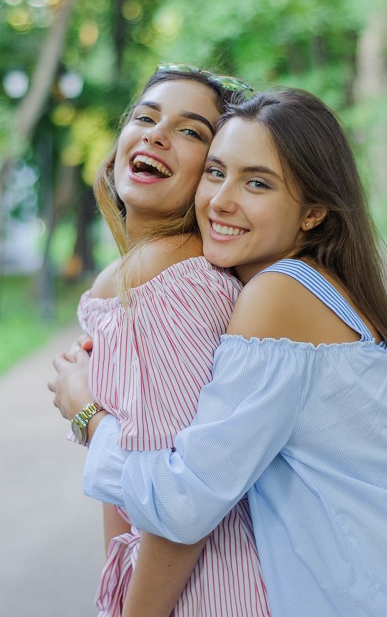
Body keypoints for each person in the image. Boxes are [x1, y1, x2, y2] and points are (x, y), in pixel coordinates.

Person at [51, 88, 387, 616]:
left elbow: (186, 503)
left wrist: (88, 415)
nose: (222, 200)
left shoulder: (280, 294)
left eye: (258, 183)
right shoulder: (302, 289)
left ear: (313, 213)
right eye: (217, 173)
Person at [54, 64, 270, 616]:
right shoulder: (138, 277)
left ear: (213, 172)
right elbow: (124, 485)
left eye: (190, 131)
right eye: (145, 117)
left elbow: (175, 497)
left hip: (214, 593)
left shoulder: (173, 279)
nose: (155, 134)